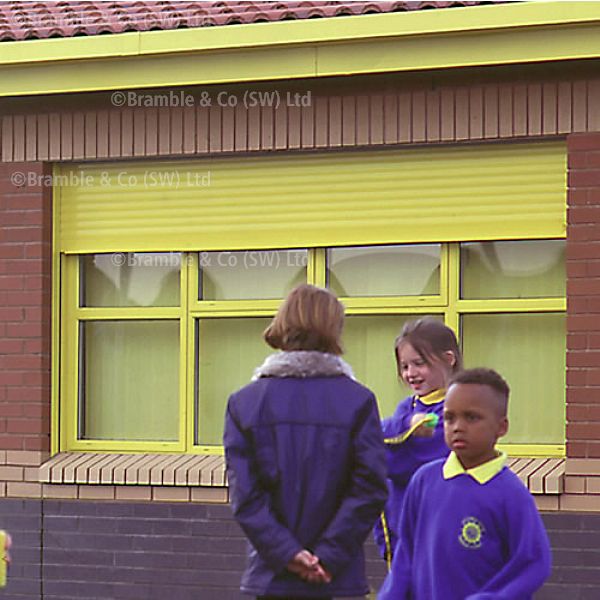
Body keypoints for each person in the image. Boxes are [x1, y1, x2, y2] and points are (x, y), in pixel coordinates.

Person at [224, 284, 388, 599]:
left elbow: (246, 496)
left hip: (272, 576)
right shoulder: (358, 401)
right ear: (335, 329)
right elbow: (370, 487)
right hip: (337, 577)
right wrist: (327, 555)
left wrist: (287, 554)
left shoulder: (244, 403)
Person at [378, 368, 552, 600]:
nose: (458, 426)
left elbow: (533, 564)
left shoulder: (511, 494)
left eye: (471, 417)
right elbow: (405, 555)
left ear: (502, 427)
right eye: (450, 417)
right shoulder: (424, 481)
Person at [374, 317, 462, 564]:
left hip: (440, 531)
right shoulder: (407, 408)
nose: (410, 374)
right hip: (398, 532)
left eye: (419, 364)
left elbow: (406, 459)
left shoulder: (456, 409)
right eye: (404, 366)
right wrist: (403, 427)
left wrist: (376, 444)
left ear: (448, 358)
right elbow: (372, 438)